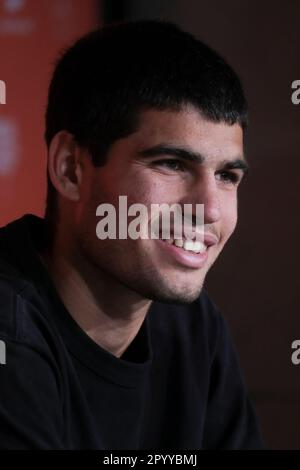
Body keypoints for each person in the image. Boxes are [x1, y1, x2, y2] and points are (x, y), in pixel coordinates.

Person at [0, 20, 263, 449]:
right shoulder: (10, 335)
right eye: (172, 164)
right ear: (71, 168)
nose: (210, 209)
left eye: (227, 175)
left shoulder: (191, 326)